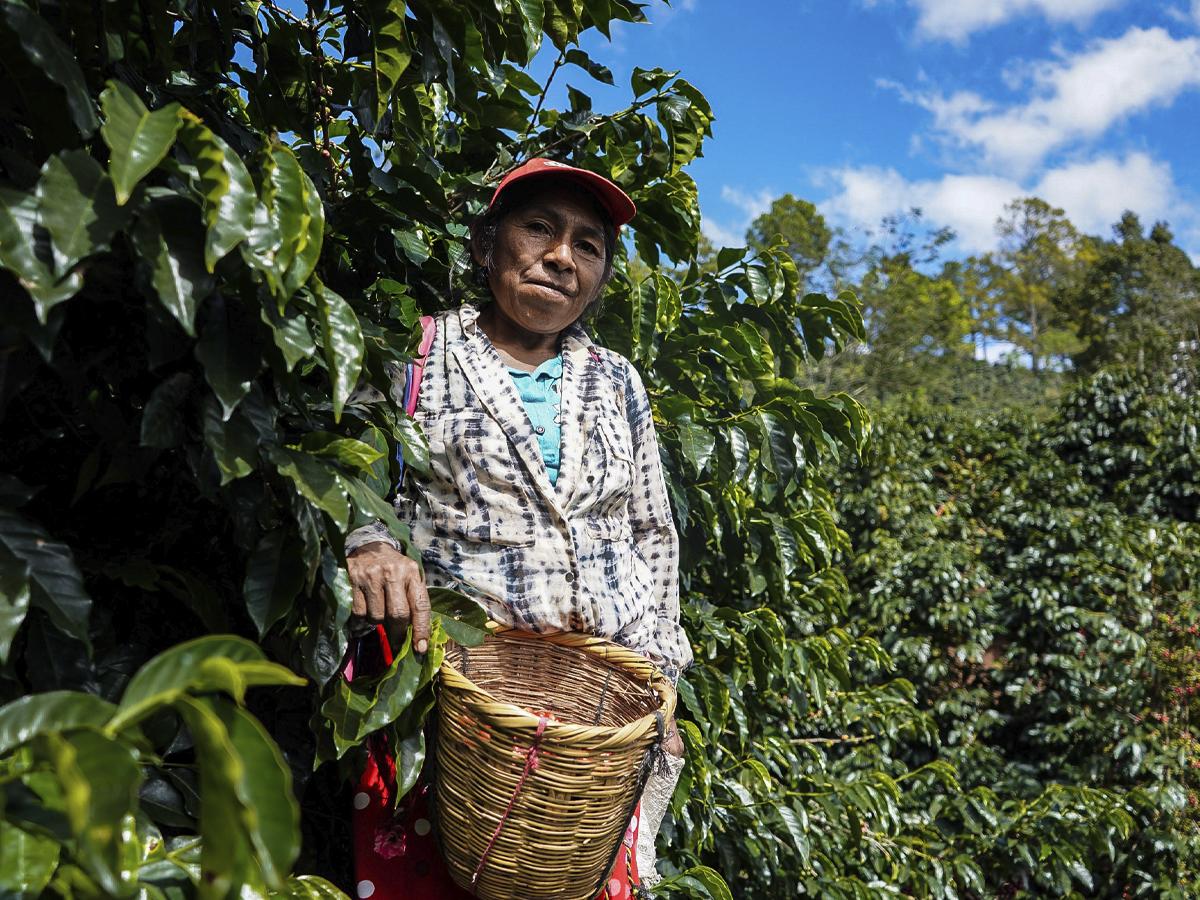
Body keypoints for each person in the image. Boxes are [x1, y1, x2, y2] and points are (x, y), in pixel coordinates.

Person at [344, 158, 690, 896]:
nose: (562, 257)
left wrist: (662, 681)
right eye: (539, 228)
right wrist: (370, 542)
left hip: (597, 720)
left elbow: (652, 533)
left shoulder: (617, 380)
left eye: (588, 245)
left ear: (599, 277)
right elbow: (351, 470)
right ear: (485, 245)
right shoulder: (419, 352)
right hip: (458, 699)